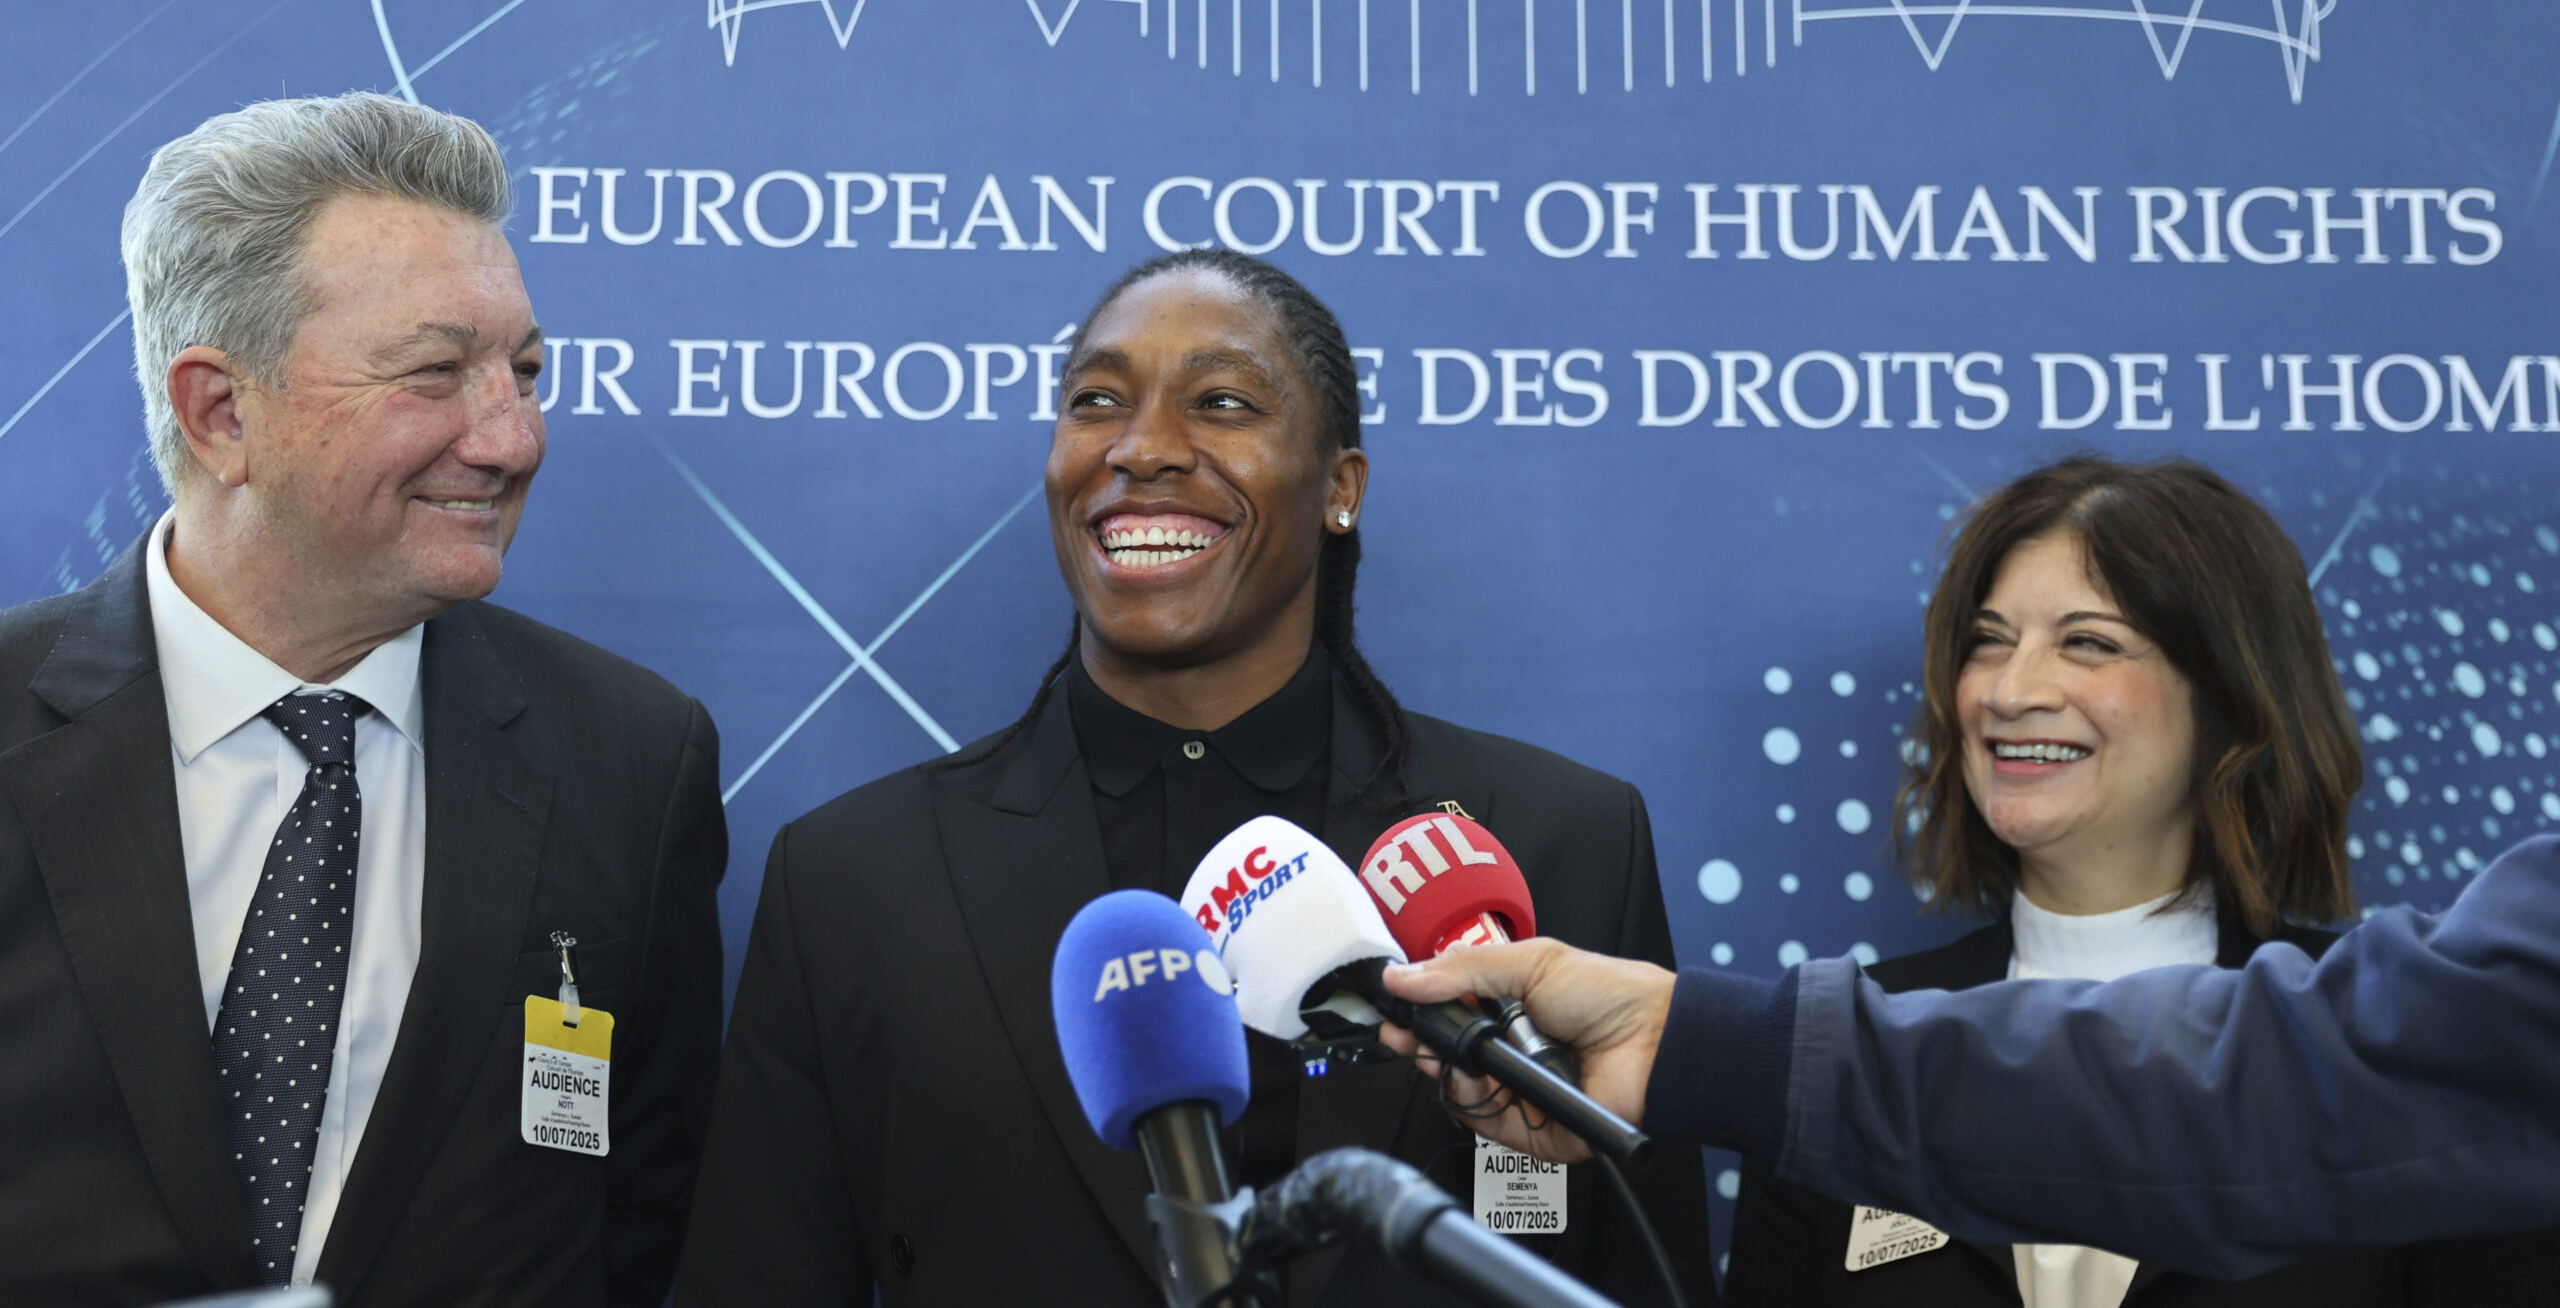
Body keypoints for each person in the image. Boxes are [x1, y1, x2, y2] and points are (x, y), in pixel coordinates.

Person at [676, 249, 1715, 1306]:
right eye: (1096, 401)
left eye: (1221, 402)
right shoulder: (849, 879)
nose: (1141, 448)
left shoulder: (1561, 837)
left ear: (1340, 489)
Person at [0, 94, 726, 1307]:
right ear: (221, 413)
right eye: (436, 374)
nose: (512, 439)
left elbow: (649, 1224)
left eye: (524, 373)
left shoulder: (632, 759)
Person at [1718, 457, 2554, 1304]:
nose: (2009, 689)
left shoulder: (2391, 1050)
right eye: (1989, 640)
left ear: (2231, 693)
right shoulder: (1829, 1053)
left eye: (2088, 642)